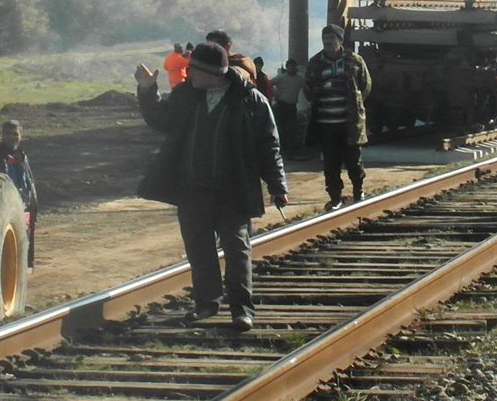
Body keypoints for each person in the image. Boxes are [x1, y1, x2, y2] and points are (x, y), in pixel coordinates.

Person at [134, 42, 287, 333]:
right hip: (191, 188)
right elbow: (160, 120)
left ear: (211, 72)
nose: (188, 74)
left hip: (233, 189)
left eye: (193, 70)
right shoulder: (186, 96)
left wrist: (277, 185)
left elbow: (268, 145)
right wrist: (147, 91)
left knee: (236, 249)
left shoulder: (249, 99)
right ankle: (206, 303)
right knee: (199, 249)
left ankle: (242, 310)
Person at [304, 24, 373, 211]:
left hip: (349, 123)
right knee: (330, 163)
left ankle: (359, 192)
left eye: (331, 39)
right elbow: (308, 88)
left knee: (354, 161)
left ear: (340, 41)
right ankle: (335, 198)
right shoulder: (315, 62)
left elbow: (365, 86)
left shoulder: (355, 61)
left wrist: (353, 103)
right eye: (325, 39)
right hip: (326, 124)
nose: (327, 42)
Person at [0, 119, 40, 267]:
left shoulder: (22, 156)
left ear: (21, 135)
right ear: (2, 135)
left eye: (15, 134)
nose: (11, 137)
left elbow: (28, 180)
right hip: (2, 206)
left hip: (21, 205)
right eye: (8, 134)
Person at [270, 59, 306, 154]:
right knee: (281, 128)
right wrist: (275, 94)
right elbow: (269, 83)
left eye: (293, 66)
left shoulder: (299, 79)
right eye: (290, 66)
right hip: (281, 105)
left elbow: (306, 87)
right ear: (287, 67)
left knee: (292, 128)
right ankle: (280, 148)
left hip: (292, 106)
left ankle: (290, 149)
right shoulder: (281, 78)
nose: (292, 68)